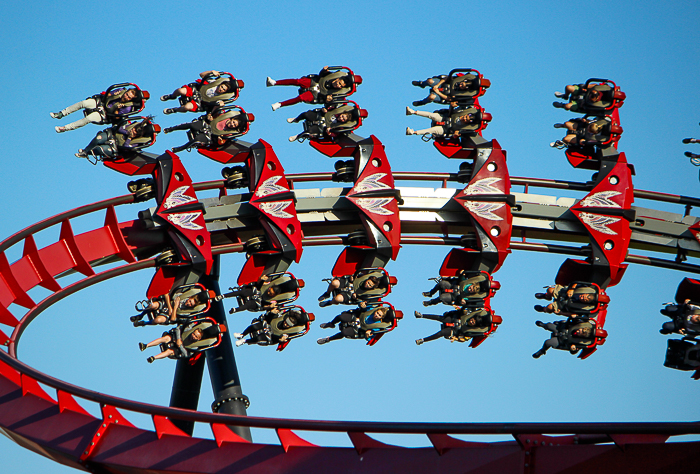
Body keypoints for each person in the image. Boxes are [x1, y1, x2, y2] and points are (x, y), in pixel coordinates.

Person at [52, 86, 146, 133]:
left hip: (105, 114)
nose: (126, 97)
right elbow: (107, 95)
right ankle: (61, 113)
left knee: (89, 118)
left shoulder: (127, 107)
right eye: (127, 94)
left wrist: (117, 109)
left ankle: (64, 128)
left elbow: (117, 117)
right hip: (101, 102)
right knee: (84, 103)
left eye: (129, 97)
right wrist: (113, 94)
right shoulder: (121, 90)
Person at [164, 106, 250, 153]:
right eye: (233, 122)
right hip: (207, 124)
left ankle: (179, 149)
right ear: (232, 119)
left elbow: (222, 143)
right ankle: (171, 129)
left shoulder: (229, 133)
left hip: (210, 135)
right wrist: (210, 115)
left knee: (197, 140)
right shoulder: (223, 115)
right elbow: (214, 108)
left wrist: (220, 140)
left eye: (234, 125)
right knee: (192, 125)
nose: (232, 124)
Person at [268, 66, 357, 110]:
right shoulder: (332, 75)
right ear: (338, 79)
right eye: (339, 83)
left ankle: (279, 104)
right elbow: (322, 75)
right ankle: (274, 82)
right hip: (316, 82)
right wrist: (324, 70)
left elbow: (328, 102)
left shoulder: (337, 93)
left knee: (300, 98)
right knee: (298, 81)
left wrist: (328, 99)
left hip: (317, 94)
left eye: (340, 86)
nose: (338, 85)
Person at [140, 320, 226, 362]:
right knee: (166, 338)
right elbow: (178, 328)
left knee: (170, 351)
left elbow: (187, 354)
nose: (193, 336)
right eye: (193, 334)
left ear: (198, 338)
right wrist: (178, 339)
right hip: (177, 337)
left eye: (196, 336)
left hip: (180, 349)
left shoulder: (196, 346)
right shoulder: (189, 328)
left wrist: (180, 346)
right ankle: (146, 345)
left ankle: (153, 358)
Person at [75, 116, 155, 160]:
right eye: (133, 129)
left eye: (135, 132)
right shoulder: (131, 127)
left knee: (100, 149)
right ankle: (85, 150)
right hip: (113, 135)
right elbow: (120, 128)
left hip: (116, 147)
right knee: (98, 138)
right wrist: (127, 133)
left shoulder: (137, 142)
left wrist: (129, 138)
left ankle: (87, 154)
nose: (133, 131)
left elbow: (126, 147)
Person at [161, 70, 240, 114]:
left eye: (223, 90)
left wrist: (218, 106)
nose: (221, 89)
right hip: (197, 90)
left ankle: (175, 110)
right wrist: (211, 72)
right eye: (222, 87)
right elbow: (202, 75)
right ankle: (172, 96)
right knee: (180, 90)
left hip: (201, 101)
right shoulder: (213, 82)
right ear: (220, 84)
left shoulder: (220, 98)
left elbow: (215, 107)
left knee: (187, 107)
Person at [131, 286, 210, 326]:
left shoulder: (186, 313)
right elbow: (166, 294)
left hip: (168, 315)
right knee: (152, 305)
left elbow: (173, 319)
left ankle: (144, 323)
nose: (188, 303)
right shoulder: (180, 295)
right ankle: (140, 315)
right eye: (189, 301)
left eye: (190, 304)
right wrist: (170, 307)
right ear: (189, 298)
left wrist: (174, 308)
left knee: (158, 320)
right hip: (166, 304)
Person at [317, 304, 394, 344]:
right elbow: (363, 306)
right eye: (377, 313)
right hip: (356, 318)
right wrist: (362, 304)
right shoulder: (371, 310)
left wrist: (367, 335)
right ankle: (331, 323)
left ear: (381, 317)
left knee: (344, 333)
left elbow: (369, 338)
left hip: (358, 328)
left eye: (379, 315)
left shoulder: (377, 326)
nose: (376, 315)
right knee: (341, 317)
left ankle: (328, 339)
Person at [224, 274, 301, 313]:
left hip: (260, 301)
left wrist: (270, 306)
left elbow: (269, 306)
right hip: (257, 290)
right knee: (242, 292)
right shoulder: (278, 281)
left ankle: (235, 310)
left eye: (270, 293)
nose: (268, 292)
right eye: (269, 290)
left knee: (249, 305)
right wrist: (262, 280)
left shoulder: (281, 297)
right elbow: (265, 280)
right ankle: (223, 296)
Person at [232, 308, 309, 347]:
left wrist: (281, 339)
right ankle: (242, 334)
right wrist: (272, 312)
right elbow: (272, 317)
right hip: (269, 324)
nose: (285, 324)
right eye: (285, 322)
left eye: (287, 325)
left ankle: (244, 341)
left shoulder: (288, 333)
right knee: (254, 326)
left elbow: (280, 338)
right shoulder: (283, 316)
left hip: (272, 335)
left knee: (259, 338)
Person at [414, 308, 494, 345]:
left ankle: (422, 340)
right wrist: (461, 309)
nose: (471, 321)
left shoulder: (470, 332)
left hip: (455, 331)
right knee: (440, 318)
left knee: (440, 333)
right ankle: (421, 315)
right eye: (472, 320)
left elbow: (464, 339)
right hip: (455, 320)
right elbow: (464, 311)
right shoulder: (469, 315)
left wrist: (456, 338)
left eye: (473, 322)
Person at [532, 318, 596, 358]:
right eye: (580, 330)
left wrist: (573, 349)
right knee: (549, 325)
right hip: (562, 329)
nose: (578, 331)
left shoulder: (581, 342)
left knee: (548, 342)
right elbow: (572, 319)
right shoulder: (580, 324)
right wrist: (573, 318)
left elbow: (574, 351)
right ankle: (543, 325)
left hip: (562, 340)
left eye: (579, 332)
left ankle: (542, 351)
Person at [318, 271, 386, 307]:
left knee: (337, 299)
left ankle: (329, 302)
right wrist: (352, 278)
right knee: (334, 283)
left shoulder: (369, 294)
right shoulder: (363, 276)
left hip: (350, 295)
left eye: (370, 285)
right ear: (367, 280)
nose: (367, 285)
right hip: (348, 283)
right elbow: (356, 275)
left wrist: (356, 298)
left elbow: (362, 301)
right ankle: (327, 294)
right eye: (368, 283)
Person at [411, 72, 485, 106]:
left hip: (443, 95)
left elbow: (449, 99)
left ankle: (423, 102)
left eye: (462, 86)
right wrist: (437, 85)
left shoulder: (464, 95)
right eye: (462, 83)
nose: (460, 84)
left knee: (431, 97)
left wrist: (438, 92)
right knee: (430, 81)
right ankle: (422, 84)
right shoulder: (460, 78)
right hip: (441, 85)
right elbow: (447, 78)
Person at [421, 271, 490, 307]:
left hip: (455, 296)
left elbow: (463, 300)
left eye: (471, 290)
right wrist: (461, 274)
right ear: (472, 284)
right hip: (452, 286)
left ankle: (429, 302)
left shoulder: (468, 297)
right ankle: (430, 293)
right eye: (470, 288)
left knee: (442, 298)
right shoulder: (467, 282)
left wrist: (462, 301)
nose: (469, 289)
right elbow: (461, 278)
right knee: (442, 283)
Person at [286, 106, 354, 142]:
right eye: (342, 116)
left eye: (343, 119)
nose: (341, 118)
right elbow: (329, 108)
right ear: (342, 113)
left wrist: (329, 133)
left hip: (322, 128)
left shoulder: (340, 127)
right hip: (320, 117)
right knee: (306, 114)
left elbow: (335, 134)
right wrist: (325, 109)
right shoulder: (335, 111)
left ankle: (297, 137)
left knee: (309, 131)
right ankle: (296, 119)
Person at [405, 106, 478, 138]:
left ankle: (413, 132)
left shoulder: (464, 128)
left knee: (432, 130)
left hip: (447, 129)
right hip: (445, 118)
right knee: (432, 115)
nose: (464, 119)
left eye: (466, 120)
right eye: (465, 117)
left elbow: (456, 135)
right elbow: (452, 109)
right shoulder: (460, 112)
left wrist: (456, 134)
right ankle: (412, 112)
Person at [534, 282, 599, 314]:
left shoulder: (585, 308)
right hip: (565, 293)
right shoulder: (588, 289)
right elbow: (576, 282)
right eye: (583, 296)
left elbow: (573, 314)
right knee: (550, 290)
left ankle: (543, 309)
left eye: (584, 300)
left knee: (550, 307)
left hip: (565, 304)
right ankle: (547, 296)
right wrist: (571, 289)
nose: (582, 298)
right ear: (586, 293)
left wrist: (561, 313)